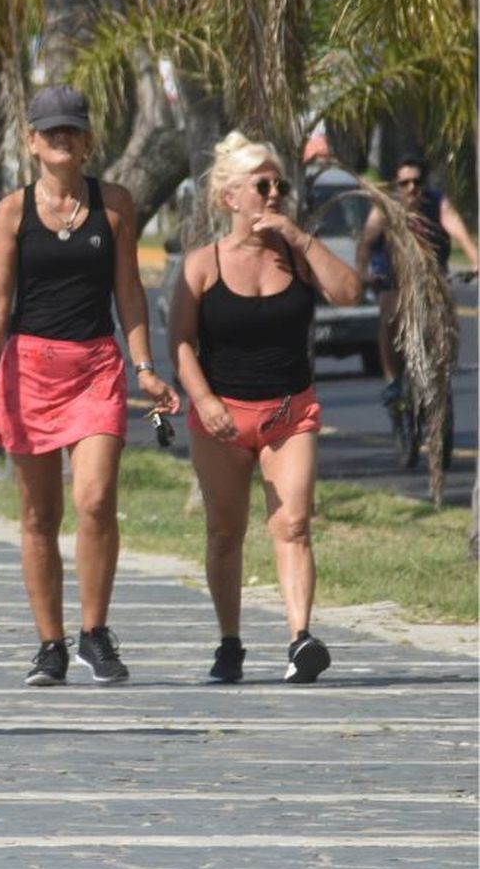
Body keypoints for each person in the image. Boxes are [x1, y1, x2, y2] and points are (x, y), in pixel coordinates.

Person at [0, 85, 178, 687]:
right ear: (32, 142)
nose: (62, 139)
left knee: (94, 500)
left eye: (73, 130)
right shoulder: (12, 210)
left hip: (96, 368)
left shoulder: (114, 204)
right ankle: (50, 645)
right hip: (28, 369)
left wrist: (143, 365)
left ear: (88, 141)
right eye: (50, 131)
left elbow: (129, 291)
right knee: (39, 515)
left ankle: (94, 632)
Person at [168, 132, 361, 684]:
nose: (275, 192)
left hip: (289, 412)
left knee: (294, 524)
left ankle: (300, 640)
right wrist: (203, 401)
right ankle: (230, 643)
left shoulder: (298, 256)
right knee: (225, 532)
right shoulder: (204, 264)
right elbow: (180, 341)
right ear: (231, 197)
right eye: (262, 184)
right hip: (222, 415)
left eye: (280, 184)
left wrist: (299, 238)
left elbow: (348, 293)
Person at [354, 155, 479, 402]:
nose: (411, 188)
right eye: (404, 183)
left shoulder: (436, 202)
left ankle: (443, 364)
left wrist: (475, 260)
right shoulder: (385, 208)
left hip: (431, 274)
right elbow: (365, 244)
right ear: (396, 185)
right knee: (389, 319)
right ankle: (392, 380)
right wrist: (362, 272)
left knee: (446, 313)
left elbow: (459, 232)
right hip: (393, 275)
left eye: (417, 182)